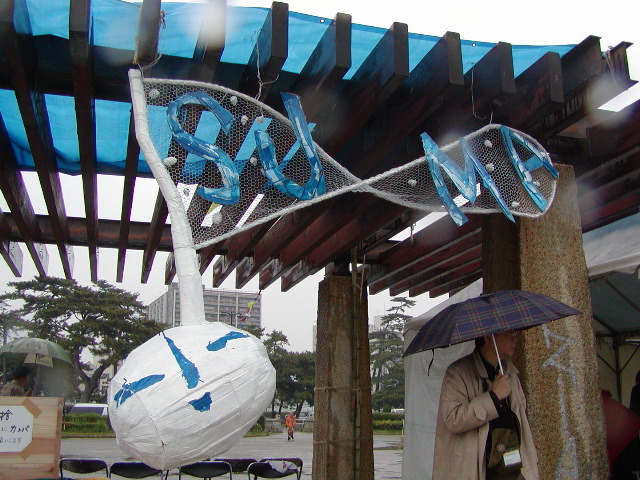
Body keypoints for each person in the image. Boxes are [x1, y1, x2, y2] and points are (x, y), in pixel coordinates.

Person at [432, 331, 539, 480]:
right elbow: (453, 419)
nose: (514, 338)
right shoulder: (458, 372)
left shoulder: (510, 372)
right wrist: (493, 397)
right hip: (476, 467)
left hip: (511, 465)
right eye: (508, 333)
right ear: (489, 338)